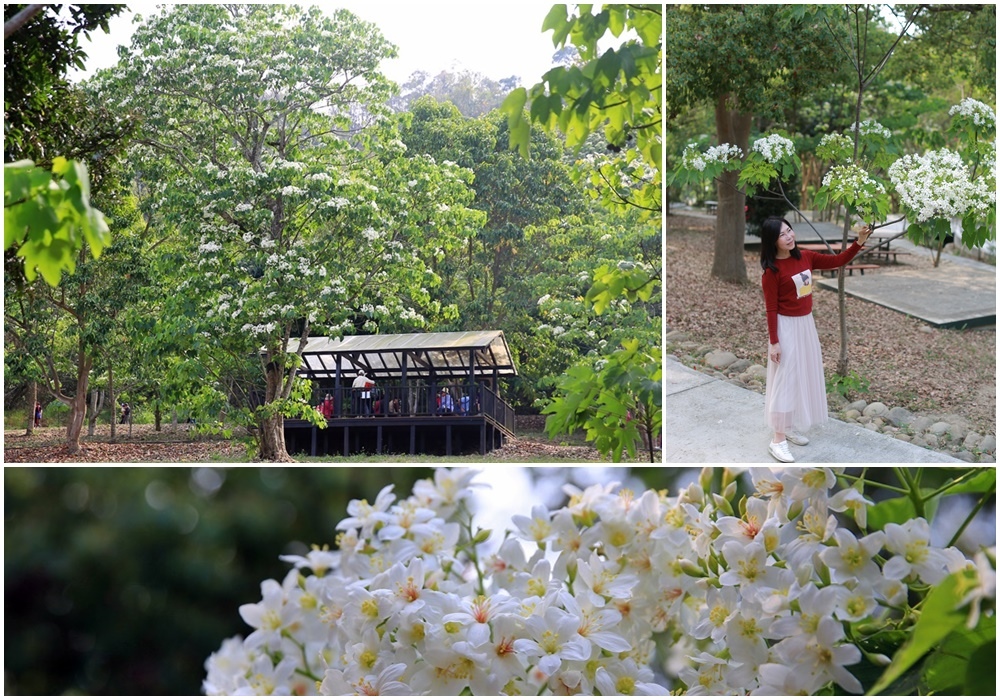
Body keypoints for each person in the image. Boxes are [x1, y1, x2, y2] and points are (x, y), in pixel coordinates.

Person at [760, 216, 871, 463]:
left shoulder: (806, 257)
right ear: (772, 241)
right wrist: (774, 341)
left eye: (789, 231)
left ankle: (788, 427)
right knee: (786, 380)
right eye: (782, 235)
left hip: (805, 324)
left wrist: (859, 242)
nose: (789, 237)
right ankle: (777, 440)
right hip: (786, 327)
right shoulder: (771, 272)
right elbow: (770, 309)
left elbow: (838, 261)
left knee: (799, 376)